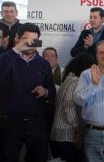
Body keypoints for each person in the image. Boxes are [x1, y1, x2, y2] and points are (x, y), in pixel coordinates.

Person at [0, 23, 56, 162]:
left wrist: (45, 91)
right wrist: (16, 50)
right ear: (17, 38)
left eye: (34, 41)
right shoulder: (6, 58)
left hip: (37, 122)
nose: (30, 44)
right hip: (10, 121)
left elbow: (52, 92)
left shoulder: (43, 63)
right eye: (26, 40)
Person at [50, 52, 96, 162]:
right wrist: (77, 129)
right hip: (67, 136)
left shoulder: (68, 79)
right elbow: (69, 106)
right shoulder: (76, 81)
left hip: (58, 134)